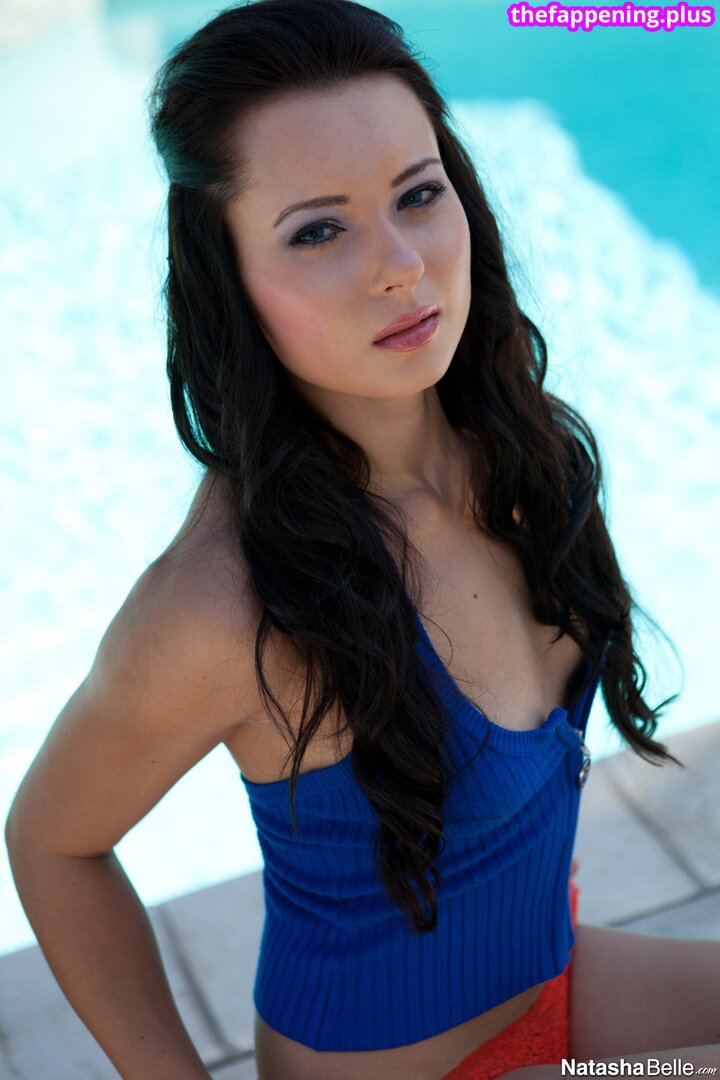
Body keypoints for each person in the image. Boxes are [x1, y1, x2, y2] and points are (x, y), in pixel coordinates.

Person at [5, 1, 720, 1078]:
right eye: (319, 230)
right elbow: (53, 841)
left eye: (418, 194)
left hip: (552, 977)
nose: (401, 266)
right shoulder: (228, 606)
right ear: (229, 279)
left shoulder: (519, 457)